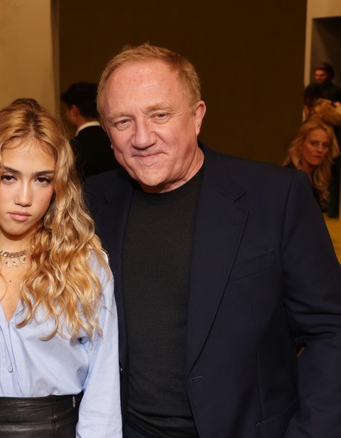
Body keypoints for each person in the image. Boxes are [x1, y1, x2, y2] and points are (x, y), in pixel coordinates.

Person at [82, 43, 341, 437]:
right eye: (122, 122)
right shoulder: (88, 203)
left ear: (197, 116)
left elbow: (330, 330)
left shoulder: (275, 198)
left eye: (160, 115)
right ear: (107, 133)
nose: (142, 137)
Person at [0, 99, 121, 437]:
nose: (25, 197)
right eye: (8, 177)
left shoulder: (84, 263)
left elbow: (103, 386)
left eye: (42, 179)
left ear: (58, 186)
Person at [60, 81, 118, 182]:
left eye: (66, 110)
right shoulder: (114, 139)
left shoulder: (71, 148)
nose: (65, 114)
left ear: (74, 110)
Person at [283, 118, 339, 209]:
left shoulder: (317, 182)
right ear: (300, 145)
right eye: (314, 143)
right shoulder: (289, 178)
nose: (320, 150)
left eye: (325, 145)